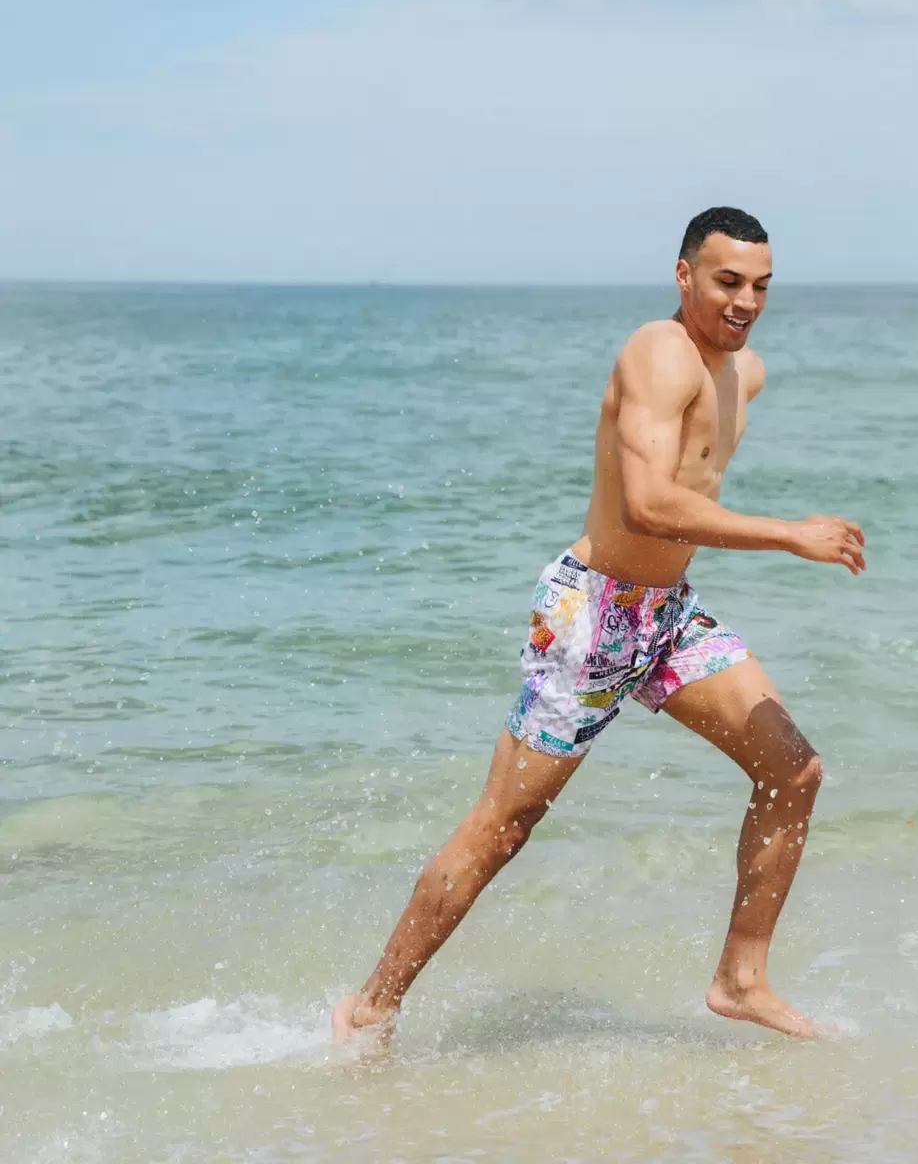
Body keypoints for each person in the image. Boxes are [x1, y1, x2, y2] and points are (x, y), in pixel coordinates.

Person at [333, 206, 866, 1043]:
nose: (746, 302)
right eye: (728, 282)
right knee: (503, 827)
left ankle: (741, 979)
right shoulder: (657, 352)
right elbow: (648, 504)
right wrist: (789, 534)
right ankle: (372, 1006)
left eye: (761, 286)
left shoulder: (745, 373)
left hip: (666, 615)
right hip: (594, 615)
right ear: (684, 275)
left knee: (793, 771)